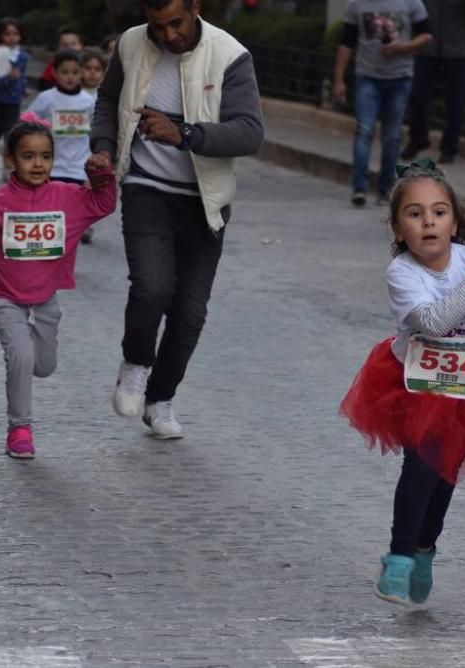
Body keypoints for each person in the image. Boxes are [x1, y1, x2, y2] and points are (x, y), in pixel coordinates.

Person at [339, 161, 465, 604]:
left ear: (455, 221)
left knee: (446, 475)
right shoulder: (403, 272)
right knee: (422, 465)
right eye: (415, 213)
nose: (428, 221)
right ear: (398, 227)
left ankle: (425, 549)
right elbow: (432, 322)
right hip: (418, 383)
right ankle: (399, 556)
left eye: (439, 212)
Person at [90, 0, 264, 439]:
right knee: (152, 287)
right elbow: (109, 98)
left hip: (205, 202)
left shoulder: (230, 55)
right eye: (157, 25)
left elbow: (249, 131)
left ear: (195, 8)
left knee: (189, 313)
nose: (168, 35)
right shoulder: (131, 44)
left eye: (176, 23)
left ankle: (160, 398)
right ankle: (134, 363)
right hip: (146, 189)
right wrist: (104, 147)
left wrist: (184, 133)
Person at [0, 120, 116, 459]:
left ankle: (27, 357)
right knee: (21, 357)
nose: (38, 164)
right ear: (10, 160)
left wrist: (101, 177)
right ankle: (20, 429)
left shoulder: (68, 198)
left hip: (46, 299)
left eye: (46, 156)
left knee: (42, 366)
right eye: (28, 156)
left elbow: (103, 204)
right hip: (4, 297)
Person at [332, 0, 432, 207]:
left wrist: (402, 47)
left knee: (392, 137)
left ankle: (386, 188)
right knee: (364, 130)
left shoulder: (411, 3)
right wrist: (339, 79)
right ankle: (359, 187)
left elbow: (426, 36)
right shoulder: (356, 5)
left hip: (400, 78)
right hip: (367, 77)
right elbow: (346, 43)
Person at [28, 50, 98, 244]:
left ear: (81, 73)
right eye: (65, 72)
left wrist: (94, 169)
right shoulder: (46, 98)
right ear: (55, 73)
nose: (70, 77)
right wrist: (39, 128)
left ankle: (66, 259)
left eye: (75, 72)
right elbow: (26, 121)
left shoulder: (89, 101)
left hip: (78, 169)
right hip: (51, 168)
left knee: (71, 220)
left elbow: (98, 131)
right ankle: (48, 256)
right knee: (50, 216)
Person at [400, 0, 465, 165]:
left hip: (459, 49)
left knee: (456, 103)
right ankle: (418, 139)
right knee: (418, 96)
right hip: (427, 45)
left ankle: (449, 148)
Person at [0, 18, 29, 157]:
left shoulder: (22, 56)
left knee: (10, 133)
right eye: (7, 34)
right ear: (0, 36)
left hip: (14, 101)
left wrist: (23, 87)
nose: (11, 38)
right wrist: (10, 78)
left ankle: (8, 164)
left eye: (15, 34)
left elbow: (22, 76)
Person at [38, 27, 84, 92]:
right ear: (58, 48)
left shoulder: (86, 63)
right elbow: (44, 84)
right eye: (65, 45)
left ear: (81, 46)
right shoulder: (53, 64)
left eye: (73, 44)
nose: (69, 47)